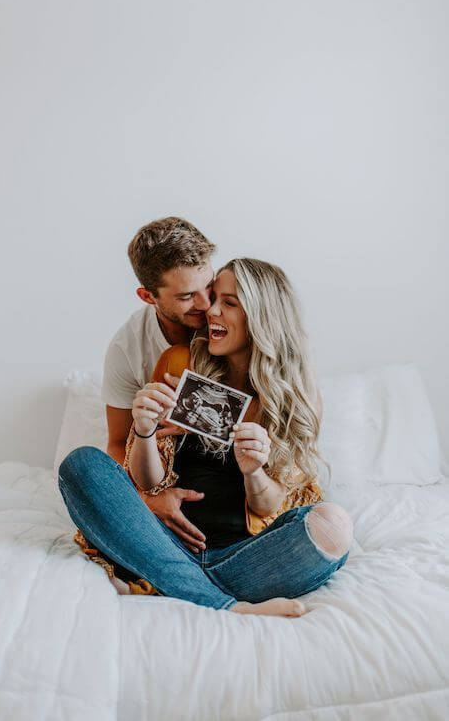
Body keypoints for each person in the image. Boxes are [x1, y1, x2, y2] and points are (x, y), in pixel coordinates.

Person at [59, 258, 354, 617]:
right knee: (82, 465)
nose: (209, 311)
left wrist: (254, 471)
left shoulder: (296, 398)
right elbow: (145, 480)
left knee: (333, 527)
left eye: (228, 303)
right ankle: (226, 606)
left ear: (261, 316)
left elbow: (268, 507)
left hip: (246, 556)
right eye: (214, 298)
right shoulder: (182, 363)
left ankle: (170, 585)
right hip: (163, 542)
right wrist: (145, 430)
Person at [101, 215, 220, 552]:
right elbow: (118, 442)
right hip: (163, 472)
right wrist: (146, 501)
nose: (206, 304)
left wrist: (199, 421)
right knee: (84, 468)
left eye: (208, 286)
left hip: (240, 474)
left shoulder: (238, 313)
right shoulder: (128, 348)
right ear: (147, 295)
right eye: (185, 297)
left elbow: (294, 399)